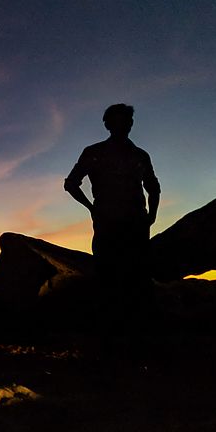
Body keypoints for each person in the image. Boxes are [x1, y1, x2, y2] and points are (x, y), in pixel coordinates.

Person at [64, 104, 160, 307]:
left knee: (137, 278)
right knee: (109, 277)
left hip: (134, 224)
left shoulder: (140, 155)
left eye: (124, 120)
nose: (121, 125)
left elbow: (153, 188)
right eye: (116, 121)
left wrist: (151, 217)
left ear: (131, 123)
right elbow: (71, 183)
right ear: (107, 125)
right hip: (109, 224)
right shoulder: (94, 152)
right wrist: (91, 208)